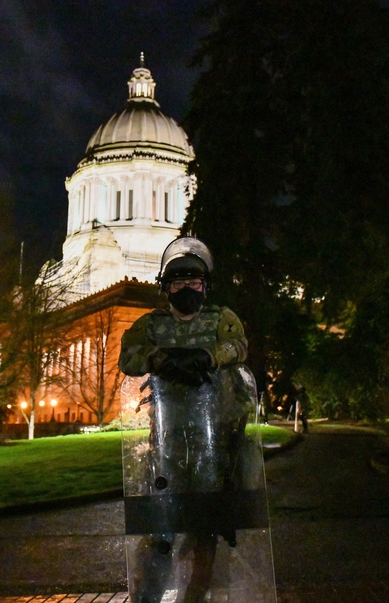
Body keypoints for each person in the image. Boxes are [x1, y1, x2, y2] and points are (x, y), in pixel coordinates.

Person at [119, 236, 254, 603]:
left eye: (194, 284)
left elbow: (240, 346)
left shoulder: (220, 319)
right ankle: (149, 593)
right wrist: (161, 359)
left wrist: (209, 357)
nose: (187, 290)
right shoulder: (151, 326)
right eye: (179, 284)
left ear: (204, 286)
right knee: (164, 523)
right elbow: (127, 358)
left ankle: (197, 596)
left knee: (206, 523)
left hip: (214, 436)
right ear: (167, 288)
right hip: (168, 438)